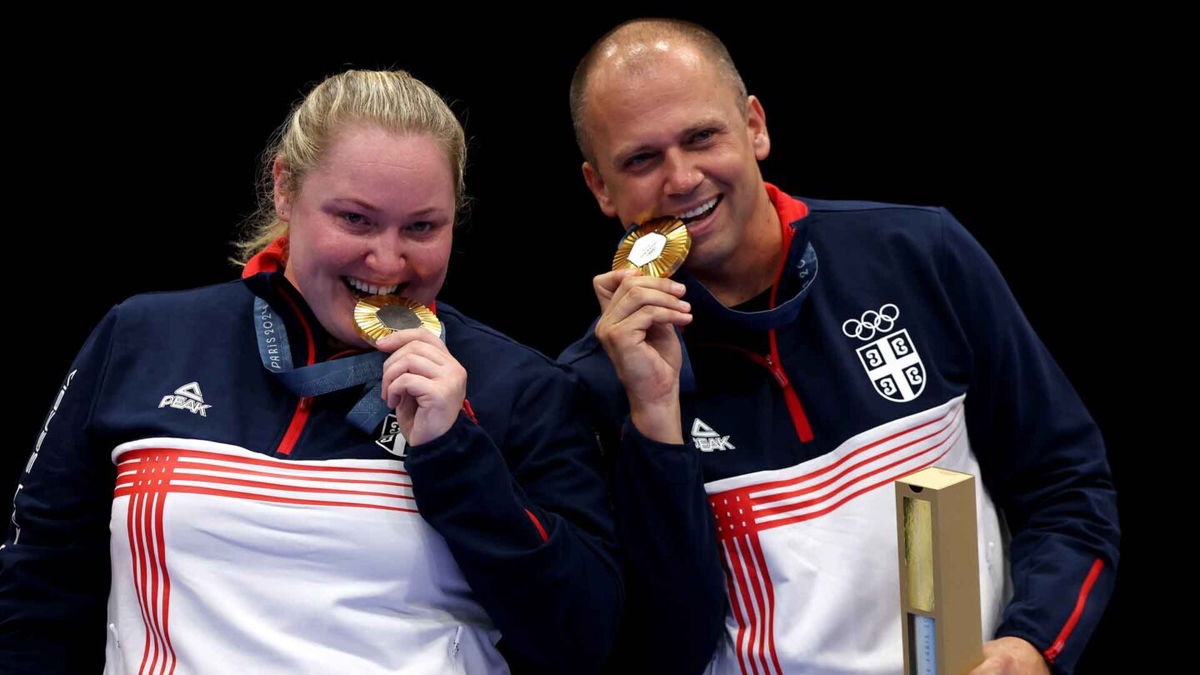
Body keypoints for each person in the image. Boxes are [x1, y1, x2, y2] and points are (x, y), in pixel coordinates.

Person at [1, 69, 620, 674]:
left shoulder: (522, 388)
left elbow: (581, 639)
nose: (387, 258)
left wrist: (454, 454)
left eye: (422, 227)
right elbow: (41, 584)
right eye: (355, 219)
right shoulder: (146, 337)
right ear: (284, 188)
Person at [559, 19, 1119, 675]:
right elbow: (659, 644)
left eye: (701, 136)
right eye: (641, 159)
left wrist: (1034, 644)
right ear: (600, 187)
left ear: (755, 126)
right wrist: (656, 422)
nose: (681, 179)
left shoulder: (918, 255)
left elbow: (1066, 483)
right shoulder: (596, 384)